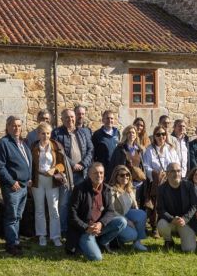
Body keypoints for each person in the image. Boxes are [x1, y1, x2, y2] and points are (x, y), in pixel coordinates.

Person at [68, 162, 132, 261]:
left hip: (99, 228)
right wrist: (86, 227)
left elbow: (110, 211)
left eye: (101, 173)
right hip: (84, 230)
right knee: (97, 258)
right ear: (89, 175)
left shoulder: (106, 189)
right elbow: (72, 214)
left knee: (121, 221)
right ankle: (81, 244)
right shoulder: (79, 189)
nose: (99, 175)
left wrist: (100, 224)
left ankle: (102, 242)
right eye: (96, 173)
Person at [0, 115, 33, 256]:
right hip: (13, 187)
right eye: (13, 126)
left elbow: (27, 162)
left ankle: (15, 241)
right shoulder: (3, 143)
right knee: (11, 217)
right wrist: (11, 182)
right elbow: (0, 166)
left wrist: (29, 178)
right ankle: (11, 245)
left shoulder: (23, 143)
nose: (17, 128)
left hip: (23, 186)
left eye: (19, 125)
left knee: (18, 216)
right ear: (8, 127)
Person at [52, 108, 93, 238]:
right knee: (64, 203)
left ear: (75, 118)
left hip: (82, 173)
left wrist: (83, 164)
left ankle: (80, 228)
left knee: (81, 202)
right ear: (62, 119)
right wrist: (72, 164)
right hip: (66, 174)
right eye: (67, 117)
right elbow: (58, 152)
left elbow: (90, 149)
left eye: (72, 117)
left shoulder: (83, 132)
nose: (70, 119)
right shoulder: (57, 133)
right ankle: (64, 230)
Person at [30, 122, 68, 248]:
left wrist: (55, 169)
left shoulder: (56, 146)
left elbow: (63, 165)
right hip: (38, 180)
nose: (45, 136)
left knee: (54, 208)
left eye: (47, 133)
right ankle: (41, 235)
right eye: (43, 133)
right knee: (39, 209)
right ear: (38, 134)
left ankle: (55, 236)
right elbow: (30, 165)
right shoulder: (33, 146)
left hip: (52, 180)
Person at [156, 162, 197, 252]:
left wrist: (185, 219)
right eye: (173, 171)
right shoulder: (161, 189)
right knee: (161, 224)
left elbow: (194, 205)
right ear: (167, 173)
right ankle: (169, 241)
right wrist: (171, 219)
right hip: (170, 221)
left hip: (185, 222)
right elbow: (160, 209)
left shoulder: (189, 185)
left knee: (189, 250)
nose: (176, 174)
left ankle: (191, 239)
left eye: (179, 171)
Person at [142, 126, 179, 221]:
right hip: (156, 181)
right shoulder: (149, 150)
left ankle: (169, 220)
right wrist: (155, 173)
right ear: (154, 136)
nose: (161, 136)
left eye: (163, 134)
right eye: (158, 134)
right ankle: (156, 220)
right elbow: (146, 166)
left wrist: (169, 173)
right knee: (158, 200)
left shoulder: (171, 149)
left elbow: (176, 163)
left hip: (170, 180)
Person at [108, 165, 148, 251]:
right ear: (116, 176)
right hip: (116, 218)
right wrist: (127, 221)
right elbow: (111, 211)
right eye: (122, 175)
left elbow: (135, 205)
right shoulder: (111, 190)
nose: (125, 177)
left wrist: (137, 220)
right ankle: (116, 239)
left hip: (126, 213)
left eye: (127, 175)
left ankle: (137, 242)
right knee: (132, 235)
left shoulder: (129, 188)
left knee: (142, 214)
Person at [108, 125, 146, 200]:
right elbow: (114, 166)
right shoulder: (120, 149)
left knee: (136, 204)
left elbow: (141, 166)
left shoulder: (139, 149)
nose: (131, 134)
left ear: (136, 135)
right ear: (126, 134)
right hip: (124, 182)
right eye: (129, 132)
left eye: (133, 132)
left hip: (137, 183)